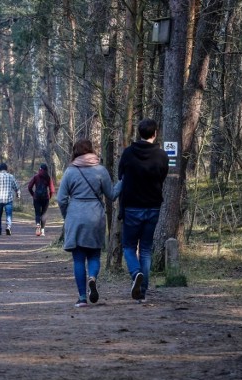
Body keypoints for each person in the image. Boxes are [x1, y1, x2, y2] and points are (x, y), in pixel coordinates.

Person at [57, 140, 119, 307]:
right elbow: (112, 195)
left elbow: (61, 199)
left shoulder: (70, 171)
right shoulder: (101, 170)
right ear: (91, 151)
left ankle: (82, 297)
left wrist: (67, 215)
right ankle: (92, 277)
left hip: (75, 215)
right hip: (96, 216)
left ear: (75, 152)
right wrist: (123, 181)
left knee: (78, 259)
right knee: (94, 255)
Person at [117, 118, 169, 302]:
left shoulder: (128, 153)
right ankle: (142, 293)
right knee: (146, 249)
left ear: (139, 133)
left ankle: (136, 273)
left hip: (132, 207)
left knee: (129, 247)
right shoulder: (162, 155)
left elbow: (120, 175)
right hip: (153, 206)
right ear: (155, 134)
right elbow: (163, 177)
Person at [0, 162, 20, 235]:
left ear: (0, 169)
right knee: (9, 214)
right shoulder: (11, 176)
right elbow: (16, 187)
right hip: (8, 199)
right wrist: (17, 193)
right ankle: (8, 227)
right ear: (6, 169)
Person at [27, 163, 56, 236]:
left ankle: (37, 224)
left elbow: (29, 187)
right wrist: (49, 196)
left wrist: (33, 194)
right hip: (45, 198)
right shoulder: (48, 177)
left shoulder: (36, 177)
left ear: (40, 169)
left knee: (37, 213)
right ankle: (42, 230)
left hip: (36, 197)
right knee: (43, 214)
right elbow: (52, 190)